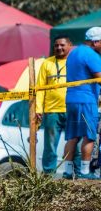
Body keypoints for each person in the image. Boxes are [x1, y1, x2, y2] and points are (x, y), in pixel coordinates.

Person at [36, 35, 79, 177]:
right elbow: (39, 88)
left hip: (73, 110)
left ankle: (75, 173)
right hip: (52, 111)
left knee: (76, 144)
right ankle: (48, 174)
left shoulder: (76, 62)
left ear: (70, 45)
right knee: (50, 146)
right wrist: (38, 109)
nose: (59, 48)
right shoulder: (47, 64)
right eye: (56, 45)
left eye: (62, 45)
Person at [62, 27, 101, 180]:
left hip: (71, 99)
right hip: (86, 100)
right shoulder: (91, 55)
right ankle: (85, 171)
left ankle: (67, 171)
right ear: (95, 41)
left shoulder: (73, 53)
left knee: (72, 136)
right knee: (89, 136)